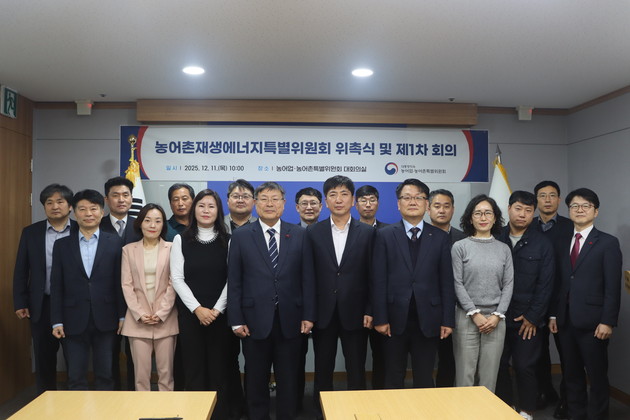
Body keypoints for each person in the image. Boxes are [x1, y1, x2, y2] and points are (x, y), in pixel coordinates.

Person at [228, 182, 315, 420]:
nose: (270, 204)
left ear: (284, 204)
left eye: (275, 199)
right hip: (254, 320)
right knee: (256, 377)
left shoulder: (299, 234)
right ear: (255, 203)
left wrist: (309, 315)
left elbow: (308, 279)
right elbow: (235, 281)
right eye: (264, 199)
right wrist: (236, 319)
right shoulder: (242, 236)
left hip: (291, 318)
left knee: (289, 377)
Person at [372, 179, 455, 389]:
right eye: (407, 197)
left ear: (427, 204)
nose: (412, 202)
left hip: (429, 319)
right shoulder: (384, 235)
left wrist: (448, 320)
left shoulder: (440, 237)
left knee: (425, 377)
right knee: (393, 376)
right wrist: (380, 318)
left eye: (418, 198)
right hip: (393, 319)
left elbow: (446, 282)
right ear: (398, 204)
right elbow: (378, 280)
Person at [549, 188, 622, 420]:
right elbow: (558, 281)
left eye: (586, 206)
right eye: (574, 206)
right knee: (571, 375)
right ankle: (576, 415)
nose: (579, 210)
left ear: (595, 211)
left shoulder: (607, 243)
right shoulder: (562, 241)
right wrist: (553, 315)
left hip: (594, 323)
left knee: (597, 376)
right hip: (565, 320)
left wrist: (607, 321)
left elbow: (612, 286)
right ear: (569, 210)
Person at [307, 175, 374, 418]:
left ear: (353, 200)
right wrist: (309, 313)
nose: (339, 199)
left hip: (356, 312)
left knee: (356, 367)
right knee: (323, 367)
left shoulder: (367, 233)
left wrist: (370, 309)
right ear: (325, 201)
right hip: (323, 312)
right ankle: (321, 412)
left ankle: (358, 411)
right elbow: (308, 276)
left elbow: (374, 275)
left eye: (344, 194)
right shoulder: (313, 232)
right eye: (333, 195)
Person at [50, 189, 125, 390]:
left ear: (102, 212)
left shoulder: (115, 243)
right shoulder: (62, 245)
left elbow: (120, 283)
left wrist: (122, 316)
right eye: (82, 209)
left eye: (93, 208)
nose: (88, 213)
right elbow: (56, 285)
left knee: (106, 375)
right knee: (75, 376)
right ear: (74, 213)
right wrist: (56, 320)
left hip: (107, 317)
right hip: (72, 318)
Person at [170, 189, 232, 419]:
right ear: (194, 209)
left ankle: (219, 415)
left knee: (219, 369)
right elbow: (177, 278)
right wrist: (197, 309)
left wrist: (216, 310)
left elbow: (232, 279)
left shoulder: (229, 240)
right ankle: (195, 415)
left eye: (211, 206)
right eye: (201, 206)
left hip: (220, 315)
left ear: (218, 211)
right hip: (191, 315)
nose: (206, 211)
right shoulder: (181, 239)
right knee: (193, 369)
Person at [495, 191, 554, 420]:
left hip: (526, 319)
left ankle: (527, 411)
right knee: (498, 365)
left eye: (528, 211)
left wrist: (533, 316)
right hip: (497, 316)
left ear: (533, 213)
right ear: (509, 208)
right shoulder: (495, 237)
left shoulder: (543, 243)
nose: (522, 214)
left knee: (525, 366)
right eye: (518, 209)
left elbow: (546, 284)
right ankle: (505, 408)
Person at [13, 184, 76, 395]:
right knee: (43, 358)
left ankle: (75, 404)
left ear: (70, 206)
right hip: (41, 304)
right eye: (49, 202)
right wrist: (20, 302)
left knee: (75, 358)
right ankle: (45, 402)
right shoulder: (31, 233)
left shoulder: (80, 230)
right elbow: (21, 270)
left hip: (73, 305)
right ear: (44, 207)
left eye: (60, 202)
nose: (55, 206)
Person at [451, 194, 513, 392]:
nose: (483, 217)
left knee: (489, 378)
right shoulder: (460, 247)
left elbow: (508, 284)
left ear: (495, 218)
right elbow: (457, 283)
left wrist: (497, 315)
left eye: (488, 213)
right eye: (478, 213)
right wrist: (474, 313)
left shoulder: (504, 249)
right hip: (466, 318)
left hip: (496, 320)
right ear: (470, 218)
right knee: (465, 376)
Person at [121, 203, 178, 391]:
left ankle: (167, 408)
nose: (152, 225)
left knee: (166, 375)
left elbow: (174, 283)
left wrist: (162, 313)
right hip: (138, 321)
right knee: (141, 377)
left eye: (158, 221)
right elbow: (127, 285)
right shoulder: (128, 250)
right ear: (140, 223)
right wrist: (139, 313)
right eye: (147, 220)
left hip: (165, 320)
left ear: (163, 225)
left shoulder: (172, 248)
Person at [533, 180, 573, 418]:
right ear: (536, 200)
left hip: (563, 301)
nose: (547, 200)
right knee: (537, 353)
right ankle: (544, 391)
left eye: (552, 195)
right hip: (535, 301)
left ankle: (567, 399)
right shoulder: (527, 226)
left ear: (559, 199)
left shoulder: (570, 226)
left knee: (567, 355)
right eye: (542, 195)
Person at [100, 176, 140, 390]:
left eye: (126, 195)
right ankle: (113, 399)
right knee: (109, 355)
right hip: (106, 301)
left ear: (132, 198)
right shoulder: (96, 224)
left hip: (137, 300)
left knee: (136, 354)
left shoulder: (141, 225)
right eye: (115, 195)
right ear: (107, 199)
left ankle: (135, 397)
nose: (121, 199)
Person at [427, 188, 466, 388]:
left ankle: (445, 395)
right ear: (428, 208)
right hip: (426, 307)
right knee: (424, 360)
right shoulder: (418, 235)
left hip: (457, 308)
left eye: (446, 206)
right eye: (437, 206)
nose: (441, 210)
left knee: (449, 358)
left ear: (453, 209)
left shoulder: (464, 239)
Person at [355, 184, 387, 390]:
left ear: (378, 203)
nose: (368, 204)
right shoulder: (348, 231)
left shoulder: (390, 231)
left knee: (382, 356)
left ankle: (379, 397)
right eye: (363, 200)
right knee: (356, 358)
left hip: (383, 305)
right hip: (356, 306)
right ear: (355, 204)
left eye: (372, 200)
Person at [293, 186, 322, 410]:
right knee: (295, 358)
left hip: (328, 306)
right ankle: (297, 403)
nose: (309, 207)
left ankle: (322, 405)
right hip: (298, 309)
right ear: (297, 207)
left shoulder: (329, 232)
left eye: (313, 203)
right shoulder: (290, 233)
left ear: (321, 206)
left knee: (324, 360)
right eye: (304, 203)